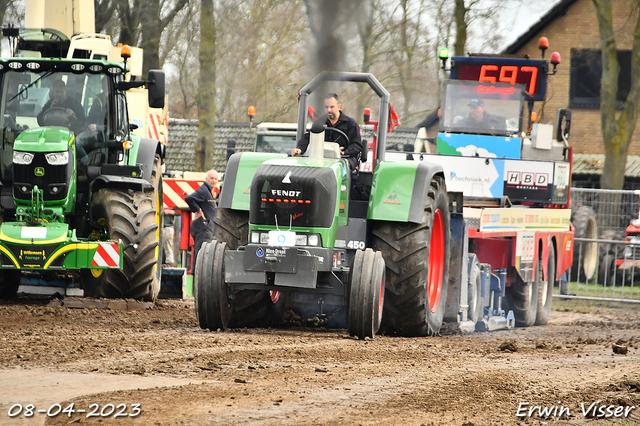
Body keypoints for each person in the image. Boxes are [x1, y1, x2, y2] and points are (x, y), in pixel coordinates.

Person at [291, 93, 363, 170]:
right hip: (323, 158)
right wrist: (300, 149)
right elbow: (309, 137)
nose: (329, 110)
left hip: (344, 159)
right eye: (326, 107)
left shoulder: (350, 124)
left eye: (332, 107)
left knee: (340, 167)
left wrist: (344, 152)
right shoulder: (320, 122)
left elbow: (356, 145)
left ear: (338, 106)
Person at [185, 169, 219, 273]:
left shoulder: (210, 191)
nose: (213, 180)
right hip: (202, 228)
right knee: (201, 255)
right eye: (211, 178)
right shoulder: (204, 190)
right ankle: (197, 282)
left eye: (216, 179)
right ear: (206, 179)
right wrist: (198, 210)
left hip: (207, 228)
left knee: (205, 255)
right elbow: (189, 198)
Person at [76, 78, 108, 159]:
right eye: (103, 85)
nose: (104, 87)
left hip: (107, 133)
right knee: (76, 143)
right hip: (94, 133)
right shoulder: (98, 100)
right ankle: (85, 162)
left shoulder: (116, 101)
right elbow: (90, 117)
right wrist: (89, 126)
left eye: (106, 85)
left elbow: (115, 124)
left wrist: (98, 127)